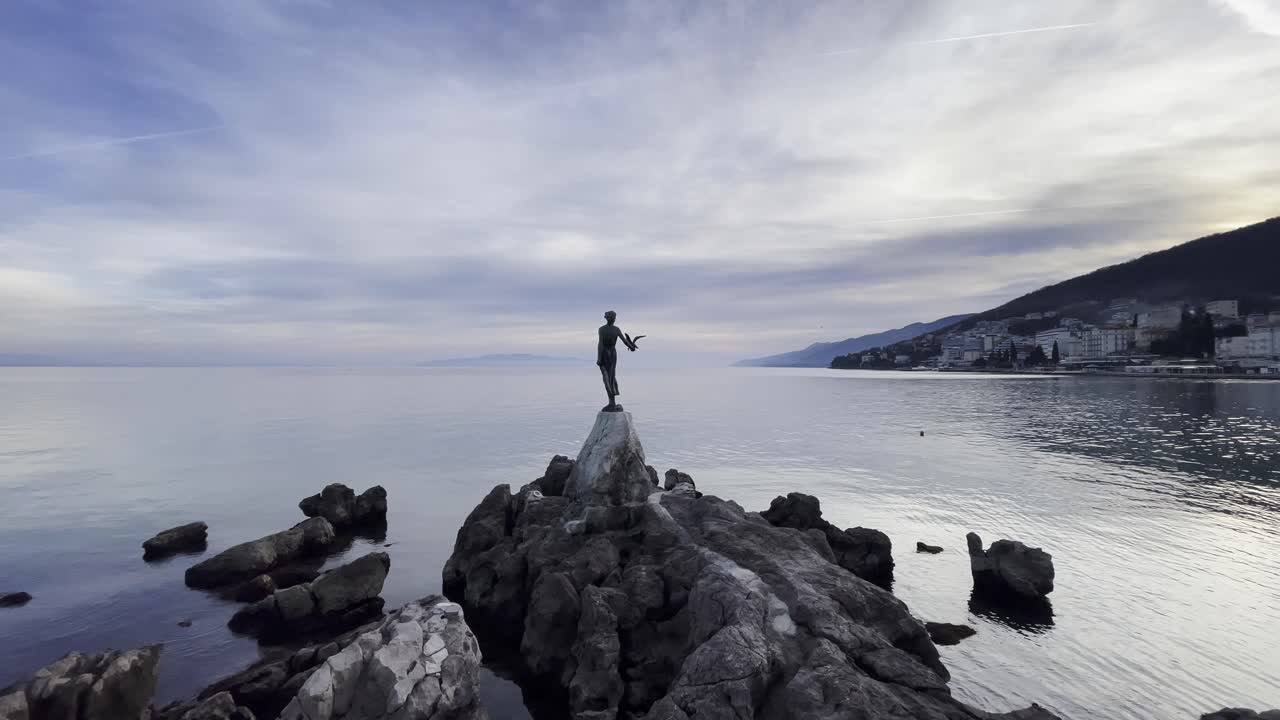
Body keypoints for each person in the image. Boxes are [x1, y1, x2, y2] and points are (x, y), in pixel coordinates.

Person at [597, 310, 640, 411]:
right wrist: (631, 347)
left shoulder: (604, 329)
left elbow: (623, 341)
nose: (615, 319)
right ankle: (611, 402)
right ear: (610, 318)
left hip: (607, 354)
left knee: (609, 378)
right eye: (614, 317)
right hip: (610, 354)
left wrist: (631, 346)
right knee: (609, 377)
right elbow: (601, 344)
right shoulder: (610, 329)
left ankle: (612, 402)